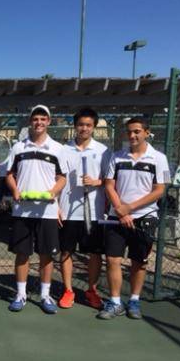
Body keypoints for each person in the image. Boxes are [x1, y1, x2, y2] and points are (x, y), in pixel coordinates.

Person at [98, 117, 170, 320]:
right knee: (112, 260)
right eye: (129, 132)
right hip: (117, 218)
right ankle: (114, 302)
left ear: (146, 133)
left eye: (137, 131)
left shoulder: (159, 158)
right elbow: (109, 185)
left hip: (145, 217)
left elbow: (159, 190)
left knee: (139, 261)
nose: (132, 135)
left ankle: (134, 301)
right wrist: (121, 211)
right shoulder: (117, 157)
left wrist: (129, 208)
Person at [5, 104, 68, 314]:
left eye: (43, 119)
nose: (39, 122)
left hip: (47, 212)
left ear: (48, 121)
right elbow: (9, 174)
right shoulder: (18, 147)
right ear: (30, 121)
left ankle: (44, 294)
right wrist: (14, 190)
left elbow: (62, 178)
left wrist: (53, 193)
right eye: (35, 119)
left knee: (46, 255)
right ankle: (21, 294)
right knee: (22, 254)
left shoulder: (58, 149)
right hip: (22, 211)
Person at [57, 107, 110, 310]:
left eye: (88, 125)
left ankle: (91, 290)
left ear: (94, 127)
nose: (84, 128)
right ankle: (68, 290)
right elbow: (58, 179)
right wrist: (56, 206)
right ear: (75, 126)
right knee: (66, 252)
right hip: (68, 211)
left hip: (93, 213)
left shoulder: (103, 151)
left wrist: (97, 182)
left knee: (94, 254)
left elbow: (111, 181)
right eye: (80, 125)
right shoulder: (64, 150)